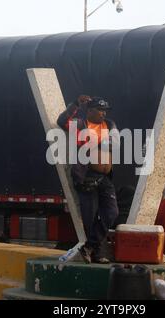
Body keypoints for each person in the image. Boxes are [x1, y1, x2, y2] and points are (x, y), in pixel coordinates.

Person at [57, 95, 119, 264]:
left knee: (112, 213)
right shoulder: (79, 124)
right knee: (90, 218)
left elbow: (115, 144)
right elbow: (61, 121)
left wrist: (92, 142)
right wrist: (75, 104)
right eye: (100, 110)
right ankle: (96, 253)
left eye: (105, 110)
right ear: (90, 110)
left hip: (105, 177)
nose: (103, 114)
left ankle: (88, 247)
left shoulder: (110, 124)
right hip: (87, 176)